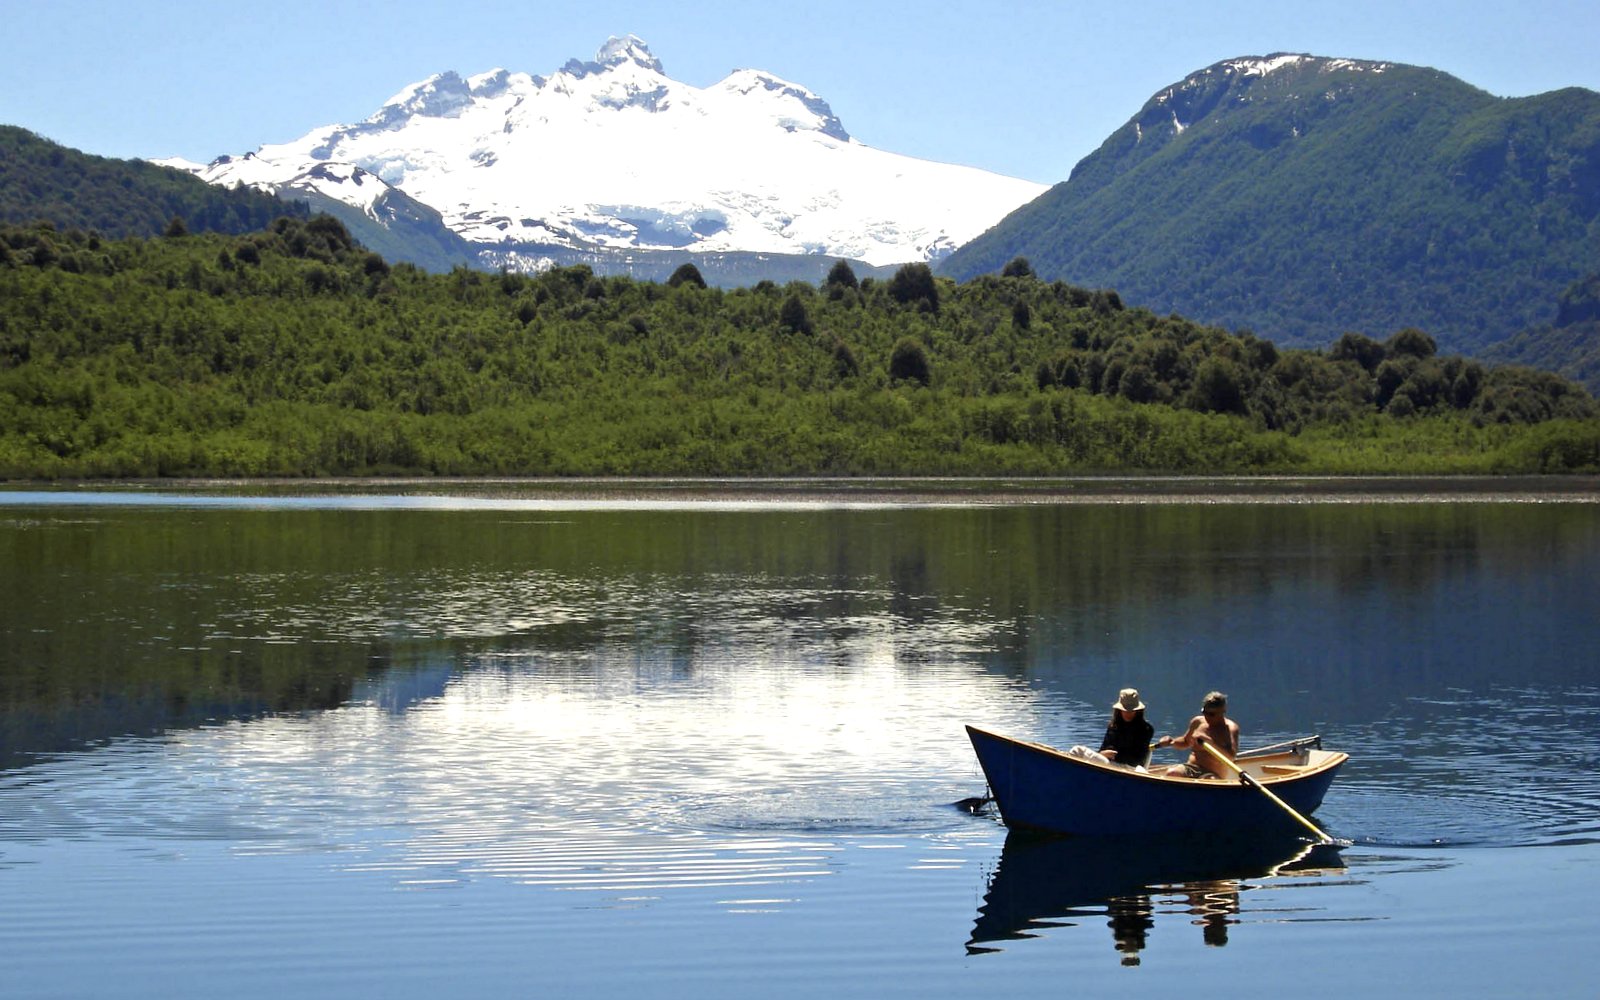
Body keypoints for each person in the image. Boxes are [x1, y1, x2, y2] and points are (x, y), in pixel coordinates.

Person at [1157, 691, 1240, 779]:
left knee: (1209, 781)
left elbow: (1231, 758)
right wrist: (1171, 742)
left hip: (1213, 773)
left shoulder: (1231, 728)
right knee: (1172, 773)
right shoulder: (1197, 722)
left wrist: (1210, 743)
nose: (1207, 716)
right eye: (1204, 712)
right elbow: (1185, 742)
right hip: (1191, 768)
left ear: (1223, 711)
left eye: (1212, 714)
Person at [1099, 687, 1155, 768]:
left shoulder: (1146, 729)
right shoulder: (1113, 727)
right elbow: (1102, 749)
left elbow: (1138, 759)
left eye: (1131, 711)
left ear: (1137, 711)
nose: (1128, 714)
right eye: (1125, 710)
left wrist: (1114, 756)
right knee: (1078, 750)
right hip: (1107, 763)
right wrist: (1101, 754)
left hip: (1129, 768)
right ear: (1119, 710)